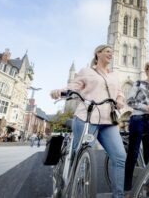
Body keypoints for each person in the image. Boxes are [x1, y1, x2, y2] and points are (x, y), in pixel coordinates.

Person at [50, 44, 126, 198]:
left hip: (108, 120)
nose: (111, 54)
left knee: (120, 157)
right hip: (87, 117)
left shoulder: (114, 75)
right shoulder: (87, 71)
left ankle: (118, 196)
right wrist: (60, 92)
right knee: (82, 160)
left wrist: (120, 100)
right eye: (107, 51)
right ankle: (75, 191)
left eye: (112, 52)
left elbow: (119, 93)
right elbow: (73, 87)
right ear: (98, 53)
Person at [124, 61, 149, 197]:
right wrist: (146, 107)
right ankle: (127, 190)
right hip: (137, 120)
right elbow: (129, 101)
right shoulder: (138, 83)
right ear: (146, 70)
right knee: (133, 155)